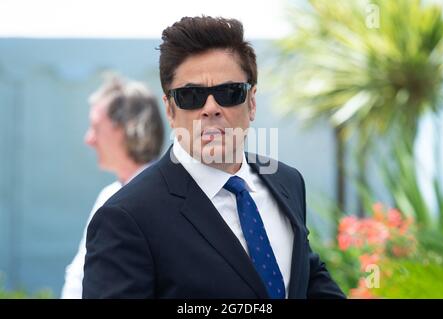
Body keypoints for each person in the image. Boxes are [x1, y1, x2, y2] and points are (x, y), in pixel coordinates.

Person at [83, 16, 345, 299]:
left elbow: (306, 277)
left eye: (229, 92)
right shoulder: (126, 217)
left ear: (252, 102)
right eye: (191, 95)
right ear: (170, 110)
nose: (211, 108)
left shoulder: (286, 181)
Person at [61, 76, 165, 298]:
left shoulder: (166, 197)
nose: (89, 139)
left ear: (129, 128)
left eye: (96, 127)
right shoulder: (109, 194)